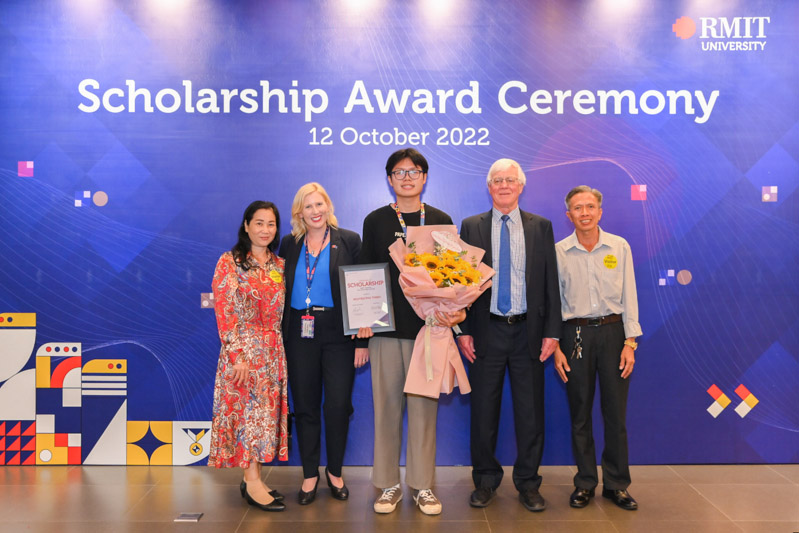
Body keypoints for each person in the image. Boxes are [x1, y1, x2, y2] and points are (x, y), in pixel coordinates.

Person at [358, 148, 464, 516]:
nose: (407, 177)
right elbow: (365, 276)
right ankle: (388, 485)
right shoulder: (374, 221)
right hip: (386, 332)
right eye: (399, 171)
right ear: (389, 179)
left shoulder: (440, 219)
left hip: (429, 331)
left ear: (424, 177)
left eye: (414, 171)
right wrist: (363, 329)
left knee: (423, 411)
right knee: (386, 410)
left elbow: (455, 276)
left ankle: (421, 486)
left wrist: (455, 310)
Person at [457, 158, 561, 512]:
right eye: (497, 180)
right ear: (489, 187)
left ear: (521, 186)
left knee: (531, 414)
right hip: (486, 331)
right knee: (483, 412)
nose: (504, 185)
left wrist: (552, 333)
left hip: (528, 332)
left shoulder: (541, 227)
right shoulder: (471, 226)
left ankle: (529, 484)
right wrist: (462, 331)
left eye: (510, 180)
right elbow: (460, 282)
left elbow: (550, 283)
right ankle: (485, 481)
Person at [552, 186, 641, 511]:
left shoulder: (619, 246)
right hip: (574, 336)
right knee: (580, 415)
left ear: (600, 211)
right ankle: (586, 482)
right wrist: (557, 346)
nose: (585, 213)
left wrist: (630, 342)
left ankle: (617, 484)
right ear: (569, 215)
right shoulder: (559, 251)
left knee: (615, 415)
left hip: (614, 334)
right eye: (578, 208)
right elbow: (553, 302)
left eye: (590, 206)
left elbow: (630, 294)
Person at [278, 183, 361, 505]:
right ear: (299, 213)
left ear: (328, 206)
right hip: (300, 332)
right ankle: (310, 473)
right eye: (308, 207)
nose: (315, 211)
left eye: (319, 204)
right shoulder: (289, 244)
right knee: (306, 407)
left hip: (339, 333)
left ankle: (335, 471)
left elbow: (363, 289)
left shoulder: (349, 240)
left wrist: (364, 340)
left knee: (338, 406)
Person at [207, 200, 287, 512]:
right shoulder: (230, 262)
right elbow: (224, 311)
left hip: (272, 353)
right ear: (246, 225)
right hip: (243, 352)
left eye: (271, 224)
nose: (265, 230)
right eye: (259, 223)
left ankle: (254, 477)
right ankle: (251, 480)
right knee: (246, 417)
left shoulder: (279, 265)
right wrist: (237, 355)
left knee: (263, 417)